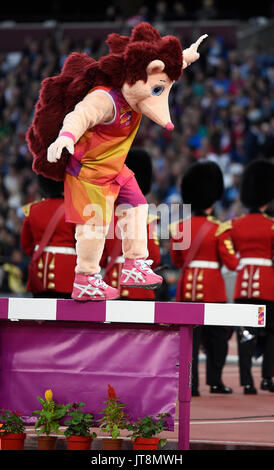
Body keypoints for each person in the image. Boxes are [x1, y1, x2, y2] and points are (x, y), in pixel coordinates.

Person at [26, 22, 208, 302]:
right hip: (88, 172)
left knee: (137, 206)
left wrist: (185, 58)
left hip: (114, 169)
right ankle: (85, 278)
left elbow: (160, 78)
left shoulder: (139, 86)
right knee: (93, 228)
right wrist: (65, 137)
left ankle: (135, 264)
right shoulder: (104, 99)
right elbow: (80, 114)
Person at [170, 161, 239, 396]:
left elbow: (177, 261)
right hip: (212, 288)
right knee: (217, 338)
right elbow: (231, 262)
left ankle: (191, 384)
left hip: (187, 287)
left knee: (188, 339)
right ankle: (215, 381)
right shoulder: (220, 229)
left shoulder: (179, 228)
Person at [229, 159, 274, 394]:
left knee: (245, 335)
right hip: (268, 285)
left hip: (242, 287)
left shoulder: (236, 225)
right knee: (272, 332)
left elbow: (230, 254)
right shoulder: (271, 226)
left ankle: (247, 382)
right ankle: (268, 377)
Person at [100, 147, 161, 299]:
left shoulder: (107, 214)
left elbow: (100, 258)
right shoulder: (144, 217)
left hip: (111, 283)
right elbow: (154, 256)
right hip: (140, 288)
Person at [20, 175, 76, 298]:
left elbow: (26, 244)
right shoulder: (74, 209)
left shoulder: (33, 209)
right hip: (66, 270)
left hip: (39, 271)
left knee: (40, 314)